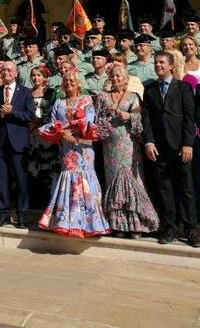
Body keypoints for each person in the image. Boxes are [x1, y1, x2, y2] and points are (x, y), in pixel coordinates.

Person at [38, 70, 110, 237]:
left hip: (83, 147)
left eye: (72, 80)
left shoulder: (86, 100)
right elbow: (53, 122)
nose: (69, 82)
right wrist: (63, 133)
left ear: (79, 83)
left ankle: (88, 222)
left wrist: (75, 132)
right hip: (66, 148)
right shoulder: (59, 102)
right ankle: (66, 221)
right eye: (66, 80)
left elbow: (90, 121)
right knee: (67, 177)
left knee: (84, 178)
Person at [142, 52, 200, 247]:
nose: (158, 65)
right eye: (156, 62)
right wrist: (149, 141)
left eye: (161, 62)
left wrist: (188, 144)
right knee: (164, 188)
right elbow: (147, 120)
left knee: (186, 189)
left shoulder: (183, 88)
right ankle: (170, 227)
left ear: (171, 66)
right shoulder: (149, 90)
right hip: (159, 148)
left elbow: (189, 118)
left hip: (180, 147)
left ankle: (191, 229)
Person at [96, 65, 159, 237]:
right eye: (113, 76)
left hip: (129, 144)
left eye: (119, 76)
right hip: (110, 146)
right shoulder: (102, 97)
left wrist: (129, 116)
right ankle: (118, 225)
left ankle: (137, 225)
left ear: (126, 79)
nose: (115, 79)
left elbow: (141, 119)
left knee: (133, 181)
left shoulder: (133, 96)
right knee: (113, 182)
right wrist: (106, 116)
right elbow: (97, 121)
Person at [0, 61, 35, 229]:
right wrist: (0, 113)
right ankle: (4, 214)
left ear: (16, 73)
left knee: (21, 180)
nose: (5, 72)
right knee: (1, 180)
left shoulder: (25, 92)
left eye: (9, 70)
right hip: (0, 143)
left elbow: (30, 116)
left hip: (19, 143)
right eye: (3, 69)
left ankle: (22, 215)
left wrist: (12, 112)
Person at [27, 65, 59, 208]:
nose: (36, 78)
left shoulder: (50, 93)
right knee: (33, 164)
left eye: (39, 75)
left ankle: (48, 200)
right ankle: (35, 199)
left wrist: (40, 123)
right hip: (30, 132)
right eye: (33, 75)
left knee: (48, 164)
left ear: (45, 78)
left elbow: (52, 112)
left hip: (45, 133)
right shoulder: (27, 92)